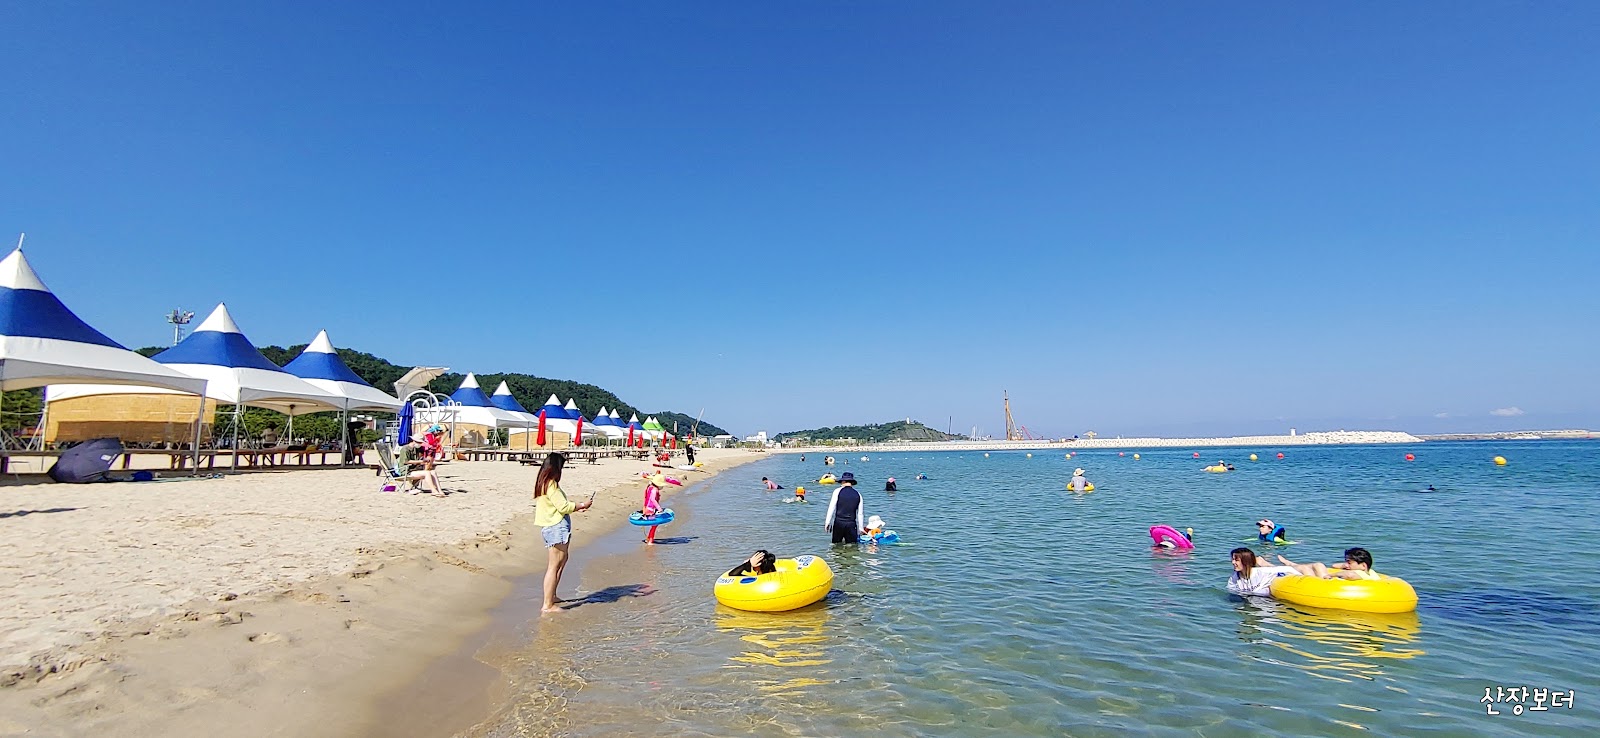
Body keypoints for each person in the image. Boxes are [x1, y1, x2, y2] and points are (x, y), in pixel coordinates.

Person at [534, 453, 593, 612]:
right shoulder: (551, 484)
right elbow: (563, 507)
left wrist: (575, 508)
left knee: (561, 560)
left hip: (553, 525)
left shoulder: (543, 483)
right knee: (554, 565)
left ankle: (551, 596)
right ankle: (547, 604)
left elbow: (558, 507)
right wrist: (581, 505)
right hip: (555, 527)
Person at [1227, 547, 1298, 596]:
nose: (1233, 562)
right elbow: (1231, 589)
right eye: (1233, 559)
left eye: (1236, 560)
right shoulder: (1234, 577)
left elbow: (1288, 569)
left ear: (1246, 561)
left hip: (1269, 602)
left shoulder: (1261, 572)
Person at [1278, 547, 1381, 580]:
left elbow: (1349, 574)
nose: (1347, 564)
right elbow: (1334, 566)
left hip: (1323, 585)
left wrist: (1330, 575)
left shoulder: (1359, 574)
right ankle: (1290, 564)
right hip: (1328, 583)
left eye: (1350, 562)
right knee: (1319, 565)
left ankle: (1280, 566)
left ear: (1363, 565)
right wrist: (1347, 565)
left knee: (1306, 569)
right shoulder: (1371, 572)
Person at [823, 472, 866, 544]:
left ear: (843, 481)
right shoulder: (858, 494)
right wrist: (861, 528)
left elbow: (831, 507)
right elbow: (860, 514)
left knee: (836, 545)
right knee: (851, 547)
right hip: (851, 524)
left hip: (839, 523)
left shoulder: (837, 491)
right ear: (852, 482)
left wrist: (827, 522)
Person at [641, 471, 680, 544]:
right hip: (650, 510)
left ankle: (649, 538)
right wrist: (659, 509)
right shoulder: (654, 489)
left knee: (654, 525)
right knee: (655, 525)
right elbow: (653, 499)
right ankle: (650, 541)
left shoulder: (650, 487)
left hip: (646, 508)